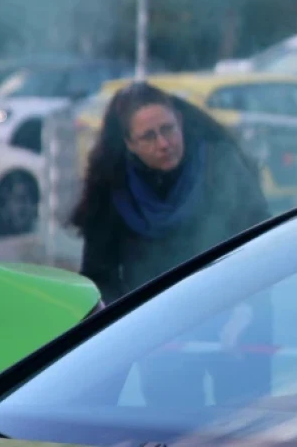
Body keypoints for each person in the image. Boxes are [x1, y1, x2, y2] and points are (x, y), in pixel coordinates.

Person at [71, 81, 271, 405]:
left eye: (168, 129)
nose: (164, 143)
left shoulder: (220, 165)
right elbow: (99, 276)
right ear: (129, 144)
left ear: (180, 121)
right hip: (162, 335)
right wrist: (131, 332)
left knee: (243, 426)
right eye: (149, 136)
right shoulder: (112, 191)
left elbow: (262, 245)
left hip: (237, 325)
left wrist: (246, 310)